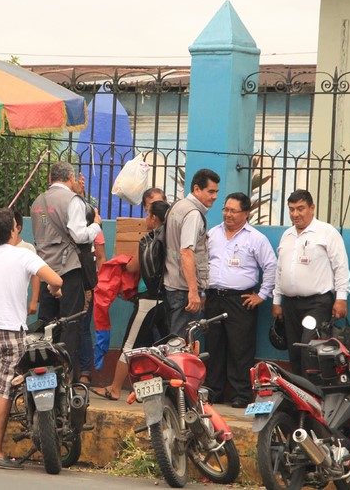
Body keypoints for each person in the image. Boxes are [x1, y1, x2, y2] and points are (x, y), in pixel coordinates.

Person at [0, 208, 63, 469]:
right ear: (14, 230)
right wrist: (53, 288)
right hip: (11, 332)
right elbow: (56, 279)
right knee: (4, 390)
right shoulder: (23, 255)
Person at [91, 199, 170, 401]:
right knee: (165, 345)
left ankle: (115, 388)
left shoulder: (150, 239)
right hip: (167, 298)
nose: (145, 219)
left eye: (147, 214)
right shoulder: (173, 237)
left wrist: (124, 263)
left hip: (148, 299)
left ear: (154, 218)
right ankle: (156, 391)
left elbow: (133, 267)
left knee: (130, 344)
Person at [31, 161, 102, 382]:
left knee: (47, 323)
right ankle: (65, 375)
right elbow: (79, 235)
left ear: (50, 178)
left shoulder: (38, 202)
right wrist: (96, 225)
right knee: (70, 323)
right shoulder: (72, 200)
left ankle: (43, 372)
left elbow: (43, 229)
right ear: (71, 178)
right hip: (68, 270)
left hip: (45, 270)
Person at [205, 192, 277, 408]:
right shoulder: (212, 234)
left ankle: (240, 394)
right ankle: (213, 391)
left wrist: (262, 295)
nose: (228, 214)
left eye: (233, 211)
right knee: (213, 346)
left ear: (246, 213)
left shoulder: (255, 238)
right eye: (225, 209)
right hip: (213, 298)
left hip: (241, 300)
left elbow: (271, 266)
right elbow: (203, 263)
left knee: (240, 348)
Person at [273, 189, 350, 377]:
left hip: (316, 304)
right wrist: (277, 301)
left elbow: (340, 266)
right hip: (290, 305)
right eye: (291, 209)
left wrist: (341, 298)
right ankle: (299, 393)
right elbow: (280, 270)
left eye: (300, 208)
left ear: (312, 208)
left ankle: (313, 393)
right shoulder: (287, 235)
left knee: (309, 350)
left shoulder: (326, 232)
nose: (295, 214)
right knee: (294, 351)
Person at [163, 168, 220, 338]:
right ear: (196, 189)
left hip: (172, 283)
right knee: (181, 342)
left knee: (175, 340)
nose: (215, 196)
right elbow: (186, 252)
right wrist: (193, 291)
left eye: (216, 192)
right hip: (183, 289)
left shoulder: (178, 206)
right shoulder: (193, 214)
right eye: (211, 191)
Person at [72, 172, 106, 385]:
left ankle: (85, 371)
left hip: (86, 282)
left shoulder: (92, 222)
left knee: (83, 326)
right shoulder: (64, 216)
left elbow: (101, 257)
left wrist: (100, 285)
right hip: (65, 278)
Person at [12, 209, 39, 315]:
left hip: (18, 303)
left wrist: (34, 301)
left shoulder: (28, 248)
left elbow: (35, 275)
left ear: (18, 228)